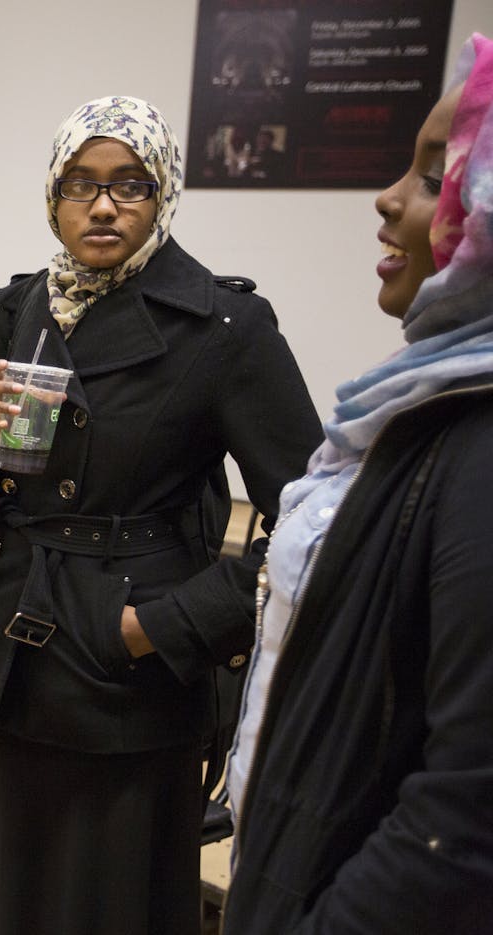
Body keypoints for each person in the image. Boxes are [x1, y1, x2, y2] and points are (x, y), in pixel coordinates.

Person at [0, 95, 321, 934]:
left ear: (164, 193)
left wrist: (161, 624)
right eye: (81, 184)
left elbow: (318, 523)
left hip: (124, 683)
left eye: (130, 184)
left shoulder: (224, 325)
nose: (103, 205)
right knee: (2, 900)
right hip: (5, 666)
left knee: (105, 907)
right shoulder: (16, 309)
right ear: (54, 195)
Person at [224, 33, 493, 934]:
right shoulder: (422, 407)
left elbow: (462, 822)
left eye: (429, 176)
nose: (384, 199)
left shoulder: (481, 446)